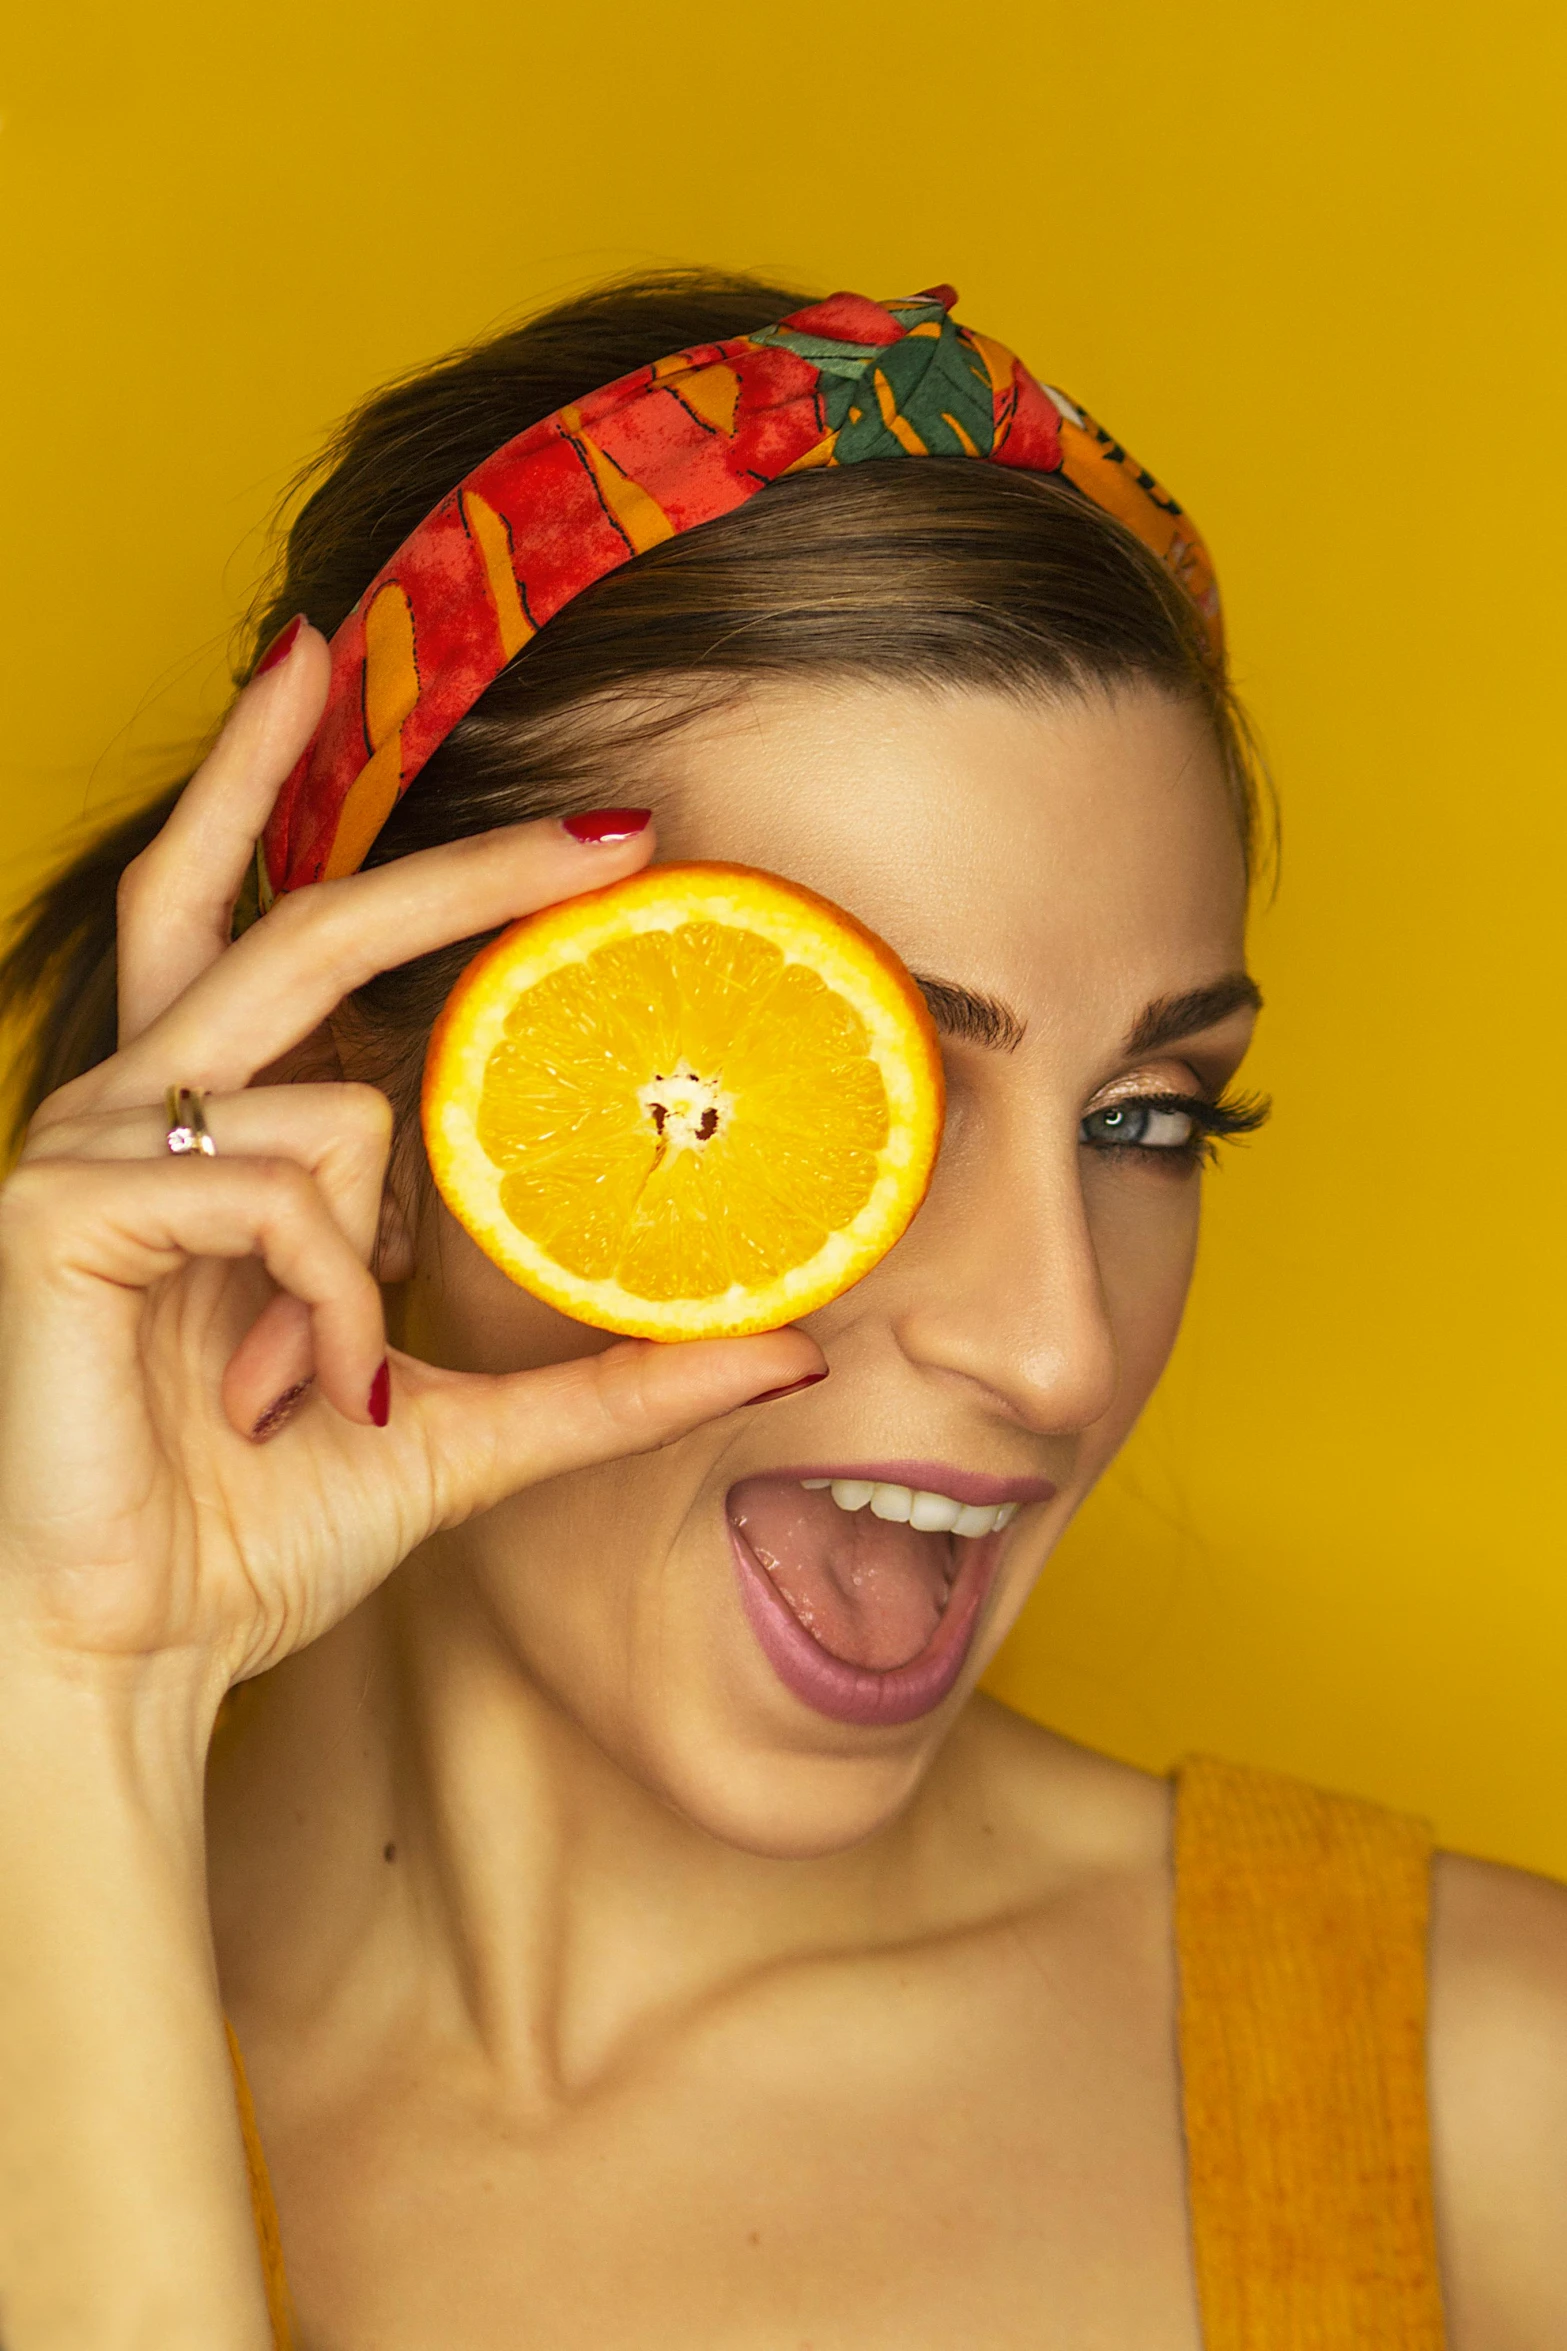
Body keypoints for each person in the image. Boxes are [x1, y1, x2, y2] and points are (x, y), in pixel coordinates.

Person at [0, 271, 1561, 2351]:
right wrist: (73, 1698)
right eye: (857, 1095)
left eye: (1143, 1115)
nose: (1057, 1348)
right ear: (354, 1115)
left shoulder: (1498, 2112)